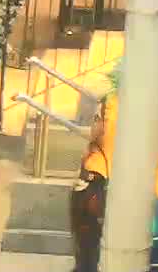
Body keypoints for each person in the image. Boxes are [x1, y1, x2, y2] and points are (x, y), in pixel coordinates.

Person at [70, 104, 110, 272]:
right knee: (89, 243)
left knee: (87, 241)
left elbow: (97, 134)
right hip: (95, 180)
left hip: (94, 181)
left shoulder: (111, 108)